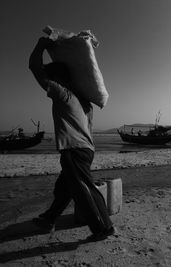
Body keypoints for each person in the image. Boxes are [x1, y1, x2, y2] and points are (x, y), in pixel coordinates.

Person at [29, 37, 115, 241]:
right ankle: (49, 219)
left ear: (57, 78)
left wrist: (41, 45)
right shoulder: (85, 103)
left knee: (84, 188)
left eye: (51, 76)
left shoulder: (62, 94)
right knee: (65, 188)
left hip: (74, 149)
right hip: (87, 150)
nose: (47, 80)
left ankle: (104, 227)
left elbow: (34, 67)